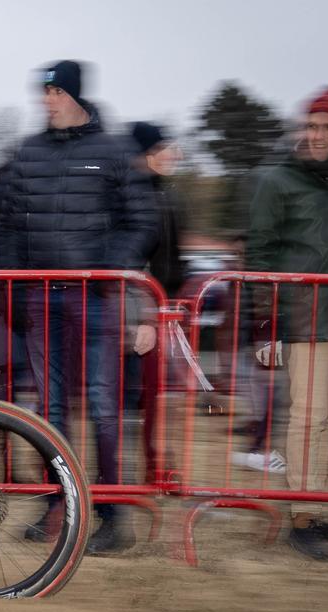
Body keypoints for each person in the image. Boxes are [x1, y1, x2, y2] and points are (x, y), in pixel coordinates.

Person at [0, 61, 158, 555]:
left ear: (76, 95)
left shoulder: (116, 150)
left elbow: (143, 220)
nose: (47, 100)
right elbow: (3, 223)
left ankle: (111, 514)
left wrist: (112, 264)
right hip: (41, 299)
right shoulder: (28, 152)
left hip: (97, 299)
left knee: (103, 404)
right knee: (50, 408)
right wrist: (12, 280)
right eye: (44, 92)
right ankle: (57, 503)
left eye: (56, 91)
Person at [244, 87, 328, 561]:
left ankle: (315, 507)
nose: (318, 135)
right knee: (307, 419)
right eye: (311, 126)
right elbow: (258, 253)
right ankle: (301, 517)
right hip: (301, 318)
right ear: (300, 130)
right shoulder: (277, 181)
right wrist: (264, 326)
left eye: (327, 128)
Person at [129, 122, 187, 483]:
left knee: (156, 397)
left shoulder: (164, 195)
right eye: (163, 148)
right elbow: (136, 264)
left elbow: (171, 260)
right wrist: (145, 317)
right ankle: (135, 472)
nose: (172, 154)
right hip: (141, 313)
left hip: (161, 309)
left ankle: (155, 465)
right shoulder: (136, 200)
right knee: (134, 398)